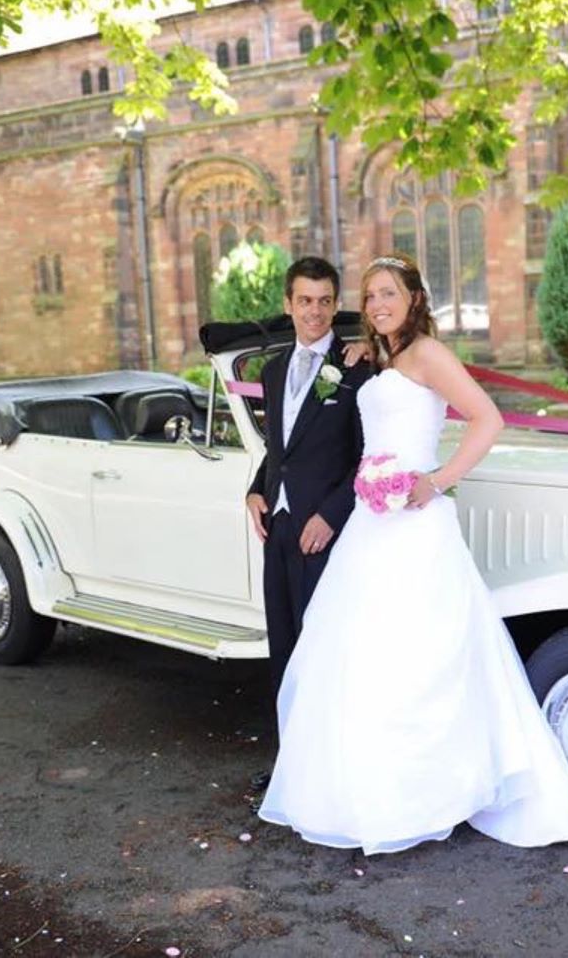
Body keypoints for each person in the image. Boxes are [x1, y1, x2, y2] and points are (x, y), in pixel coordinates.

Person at [258, 252, 568, 852]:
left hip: (416, 524)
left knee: (422, 654)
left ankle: (435, 791)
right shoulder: (377, 357)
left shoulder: (432, 355)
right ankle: (366, 788)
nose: (380, 304)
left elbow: (486, 419)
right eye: (371, 295)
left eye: (390, 293)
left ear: (414, 298)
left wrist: (435, 481)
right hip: (369, 526)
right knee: (360, 657)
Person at [246, 256, 372, 797]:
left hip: (325, 532)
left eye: (325, 301)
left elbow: (369, 457)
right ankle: (292, 764)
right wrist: (255, 488)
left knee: (325, 650)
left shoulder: (357, 367)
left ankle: (331, 769)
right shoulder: (272, 371)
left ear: (335, 304)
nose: (315, 311)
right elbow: (280, 448)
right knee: (284, 648)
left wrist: (331, 514)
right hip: (276, 529)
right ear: (289, 304)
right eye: (305, 300)